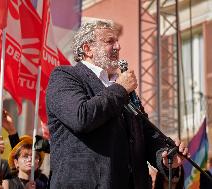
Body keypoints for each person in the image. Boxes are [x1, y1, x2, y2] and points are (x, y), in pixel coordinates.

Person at [46, 19, 189, 188]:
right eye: (109, 41)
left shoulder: (119, 87)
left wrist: (164, 155)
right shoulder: (65, 77)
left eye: (117, 41)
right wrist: (120, 88)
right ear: (87, 49)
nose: (118, 46)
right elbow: (81, 117)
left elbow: (144, 133)